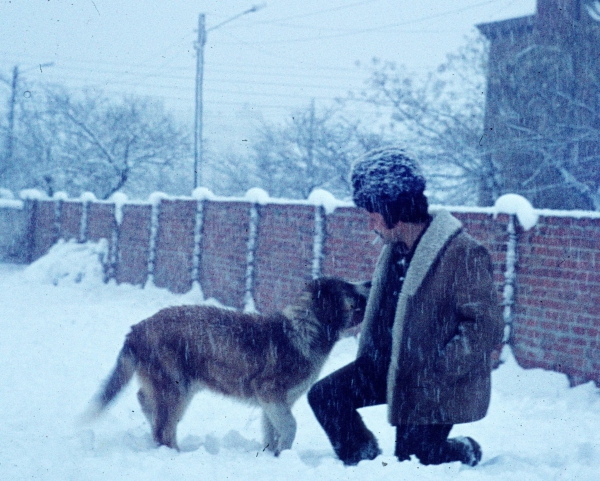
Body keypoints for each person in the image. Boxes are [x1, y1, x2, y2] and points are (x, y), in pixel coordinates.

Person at [308, 147, 504, 466]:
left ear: (392, 206)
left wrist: (440, 370)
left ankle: (464, 449)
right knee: (325, 396)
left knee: (413, 459)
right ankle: (363, 462)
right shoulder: (397, 248)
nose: (369, 219)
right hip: (389, 366)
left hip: (433, 380)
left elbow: (485, 326)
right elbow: (396, 299)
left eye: (371, 210)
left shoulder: (463, 253)